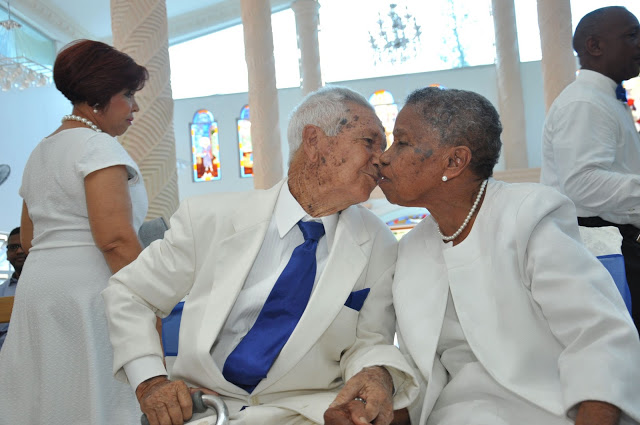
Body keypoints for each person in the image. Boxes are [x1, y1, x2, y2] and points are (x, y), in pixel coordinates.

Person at [102, 86, 419, 425]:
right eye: (369, 142)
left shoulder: (378, 243)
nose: (381, 158)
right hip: (205, 408)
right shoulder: (210, 218)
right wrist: (151, 382)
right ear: (314, 142)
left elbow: (370, 341)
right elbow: (131, 293)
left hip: (301, 413)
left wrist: (376, 374)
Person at [377, 86, 640, 425]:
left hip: (553, 410)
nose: (383, 157)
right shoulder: (412, 247)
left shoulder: (528, 216)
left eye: (401, 142)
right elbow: (421, 373)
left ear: (454, 162)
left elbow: (597, 336)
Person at [0, 39, 150, 424]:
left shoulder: (41, 150)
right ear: (99, 97)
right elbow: (115, 240)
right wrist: (148, 297)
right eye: (127, 95)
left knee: (49, 397)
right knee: (95, 398)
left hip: (39, 290)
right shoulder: (97, 147)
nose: (134, 107)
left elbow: (30, 240)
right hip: (89, 291)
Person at [540, 6, 640, 333]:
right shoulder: (583, 102)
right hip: (606, 248)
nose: (639, 43)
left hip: (619, 240)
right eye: (631, 35)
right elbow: (583, 184)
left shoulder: (605, 98)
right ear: (595, 46)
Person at [0, 227, 25, 350]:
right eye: (13, 247)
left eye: (23, 246)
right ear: (7, 254)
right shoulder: (1, 292)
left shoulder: (52, 287)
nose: (19, 251)